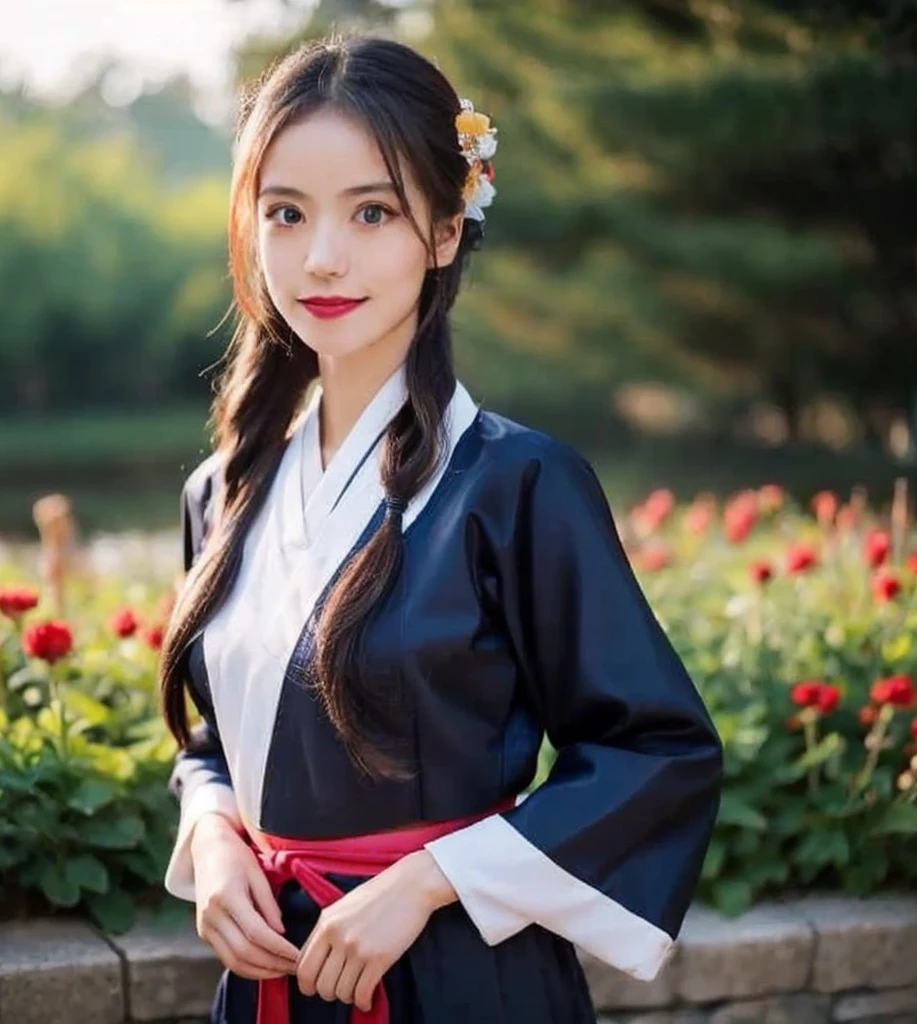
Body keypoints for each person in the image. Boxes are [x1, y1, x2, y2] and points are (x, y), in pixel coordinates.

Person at [158, 33, 723, 1024]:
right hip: (275, 976)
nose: (321, 256)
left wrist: (426, 881)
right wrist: (211, 834)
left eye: (371, 211)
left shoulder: (517, 483)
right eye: (285, 213)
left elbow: (655, 749)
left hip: (459, 976)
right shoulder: (223, 490)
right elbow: (216, 736)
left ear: (447, 230)